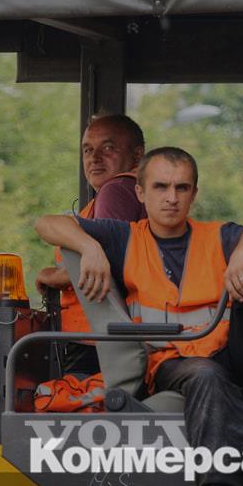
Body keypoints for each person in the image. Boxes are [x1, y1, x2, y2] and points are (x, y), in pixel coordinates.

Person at [33, 146, 243, 486]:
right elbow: (46, 223)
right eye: (160, 187)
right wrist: (89, 247)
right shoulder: (123, 238)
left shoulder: (218, 236)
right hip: (172, 363)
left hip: (231, 352)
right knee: (206, 375)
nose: (171, 198)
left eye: (181, 188)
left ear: (194, 194)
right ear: (140, 193)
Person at [36, 114, 148, 377]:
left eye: (108, 147)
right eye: (87, 150)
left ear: (137, 154)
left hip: (100, 340)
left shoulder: (117, 189)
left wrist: (52, 276)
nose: (94, 158)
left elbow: (107, 263)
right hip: (112, 337)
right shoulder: (137, 192)